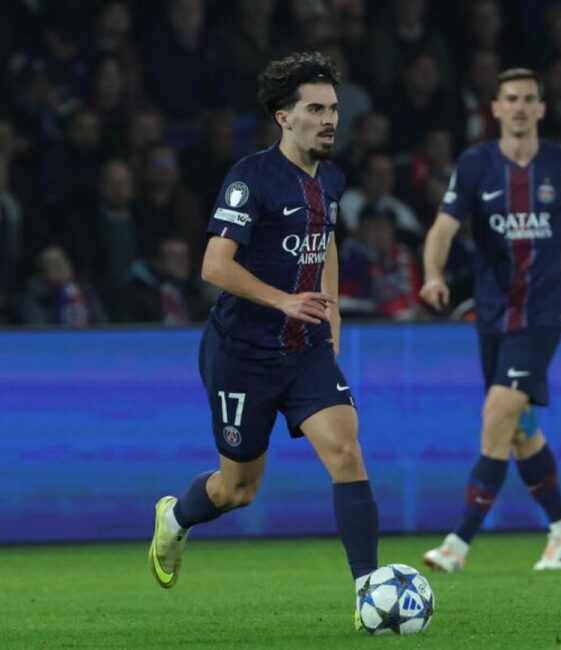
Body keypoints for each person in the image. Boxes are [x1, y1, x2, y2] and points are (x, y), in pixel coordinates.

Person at [147, 52, 378, 630]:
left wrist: (331, 320)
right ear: (283, 117)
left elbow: (324, 243)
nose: (329, 119)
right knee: (238, 490)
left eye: (333, 109)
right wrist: (283, 300)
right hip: (241, 355)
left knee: (347, 452)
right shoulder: (251, 178)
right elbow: (214, 265)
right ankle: (175, 519)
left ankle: (369, 595)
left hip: (304, 350)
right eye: (315, 109)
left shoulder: (332, 177)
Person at [419, 68, 561, 573]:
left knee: (498, 415)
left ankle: (457, 544)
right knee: (520, 432)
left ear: (541, 108)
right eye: (511, 99)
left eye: (528, 99)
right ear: (496, 109)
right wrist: (433, 274)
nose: (520, 106)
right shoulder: (476, 164)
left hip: (542, 314)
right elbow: (442, 228)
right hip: (493, 315)